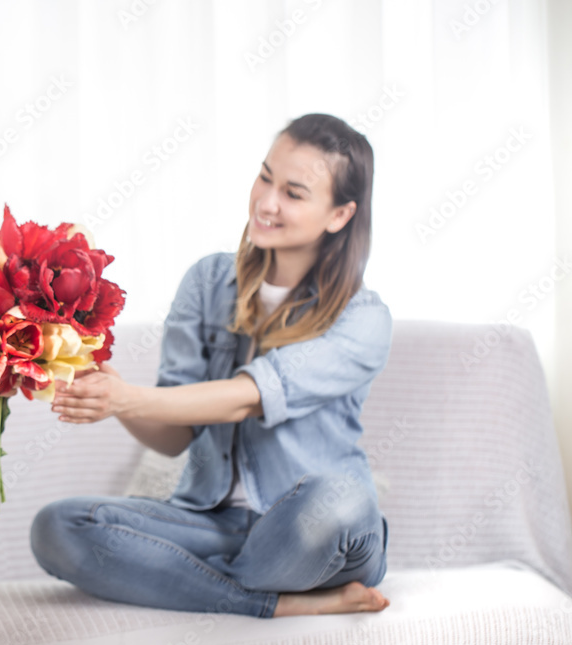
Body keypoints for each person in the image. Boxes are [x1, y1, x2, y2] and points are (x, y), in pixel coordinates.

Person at [32, 113, 393, 618]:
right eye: (265, 177)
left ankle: (182, 579)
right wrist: (115, 397)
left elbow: (247, 397)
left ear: (338, 215)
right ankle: (271, 600)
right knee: (58, 527)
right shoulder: (207, 283)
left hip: (315, 532)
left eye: (293, 193)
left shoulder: (364, 318)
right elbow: (177, 436)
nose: (266, 203)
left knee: (336, 500)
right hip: (211, 523)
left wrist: (129, 397)